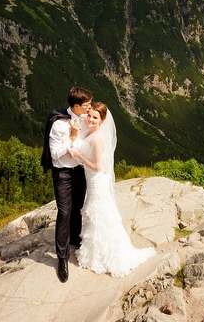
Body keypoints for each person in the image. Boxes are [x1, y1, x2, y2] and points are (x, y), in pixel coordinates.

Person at [67, 102, 156, 277]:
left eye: (95, 118)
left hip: (97, 180)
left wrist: (79, 156)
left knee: (99, 214)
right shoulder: (92, 130)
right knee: (96, 214)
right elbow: (80, 116)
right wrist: (76, 123)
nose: (90, 120)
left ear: (102, 121)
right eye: (90, 116)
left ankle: (104, 256)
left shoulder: (98, 138)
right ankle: (96, 253)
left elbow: (98, 166)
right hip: (92, 180)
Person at [41, 86, 93, 283]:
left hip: (79, 170)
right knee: (64, 212)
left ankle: (75, 240)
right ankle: (62, 258)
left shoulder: (86, 118)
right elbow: (54, 154)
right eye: (86, 105)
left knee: (78, 208)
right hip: (62, 172)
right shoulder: (59, 124)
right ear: (76, 106)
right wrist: (71, 137)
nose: (90, 108)